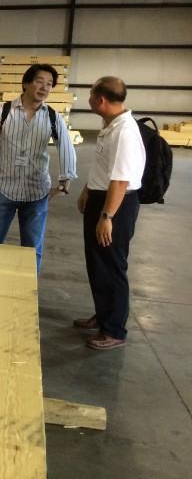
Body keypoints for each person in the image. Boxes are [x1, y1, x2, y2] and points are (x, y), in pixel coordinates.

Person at [0, 63, 78, 272]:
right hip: (4, 189)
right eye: (39, 81)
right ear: (26, 83)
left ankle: (27, 294)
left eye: (49, 84)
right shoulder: (3, 113)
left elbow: (66, 148)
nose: (44, 88)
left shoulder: (52, 117)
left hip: (37, 193)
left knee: (32, 247)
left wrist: (65, 181)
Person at [75, 76, 145, 350]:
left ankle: (114, 330)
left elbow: (120, 181)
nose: (90, 101)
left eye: (91, 96)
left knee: (112, 266)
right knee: (97, 263)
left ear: (100, 100)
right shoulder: (111, 125)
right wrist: (88, 190)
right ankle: (103, 315)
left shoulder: (124, 132)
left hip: (116, 205)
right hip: (102, 197)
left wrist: (107, 218)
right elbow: (105, 169)